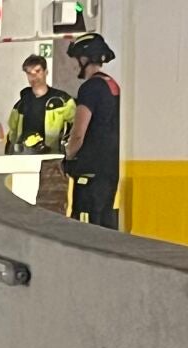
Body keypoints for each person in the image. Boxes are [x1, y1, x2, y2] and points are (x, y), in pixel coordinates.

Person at [63, 33, 121, 229]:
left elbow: (78, 133)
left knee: (85, 230)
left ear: (84, 58)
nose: (72, 65)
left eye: (74, 59)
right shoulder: (112, 85)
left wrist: (68, 156)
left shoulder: (90, 88)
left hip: (90, 172)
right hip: (111, 169)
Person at [5, 55, 75, 154]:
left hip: (53, 158)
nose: (34, 77)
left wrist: (67, 151)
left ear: (46, 72)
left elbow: (76, 126)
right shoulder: (21, 104)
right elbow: (12, 135)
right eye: (29, 73)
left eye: (38, 71)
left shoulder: (62, 101)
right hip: (24, 157)